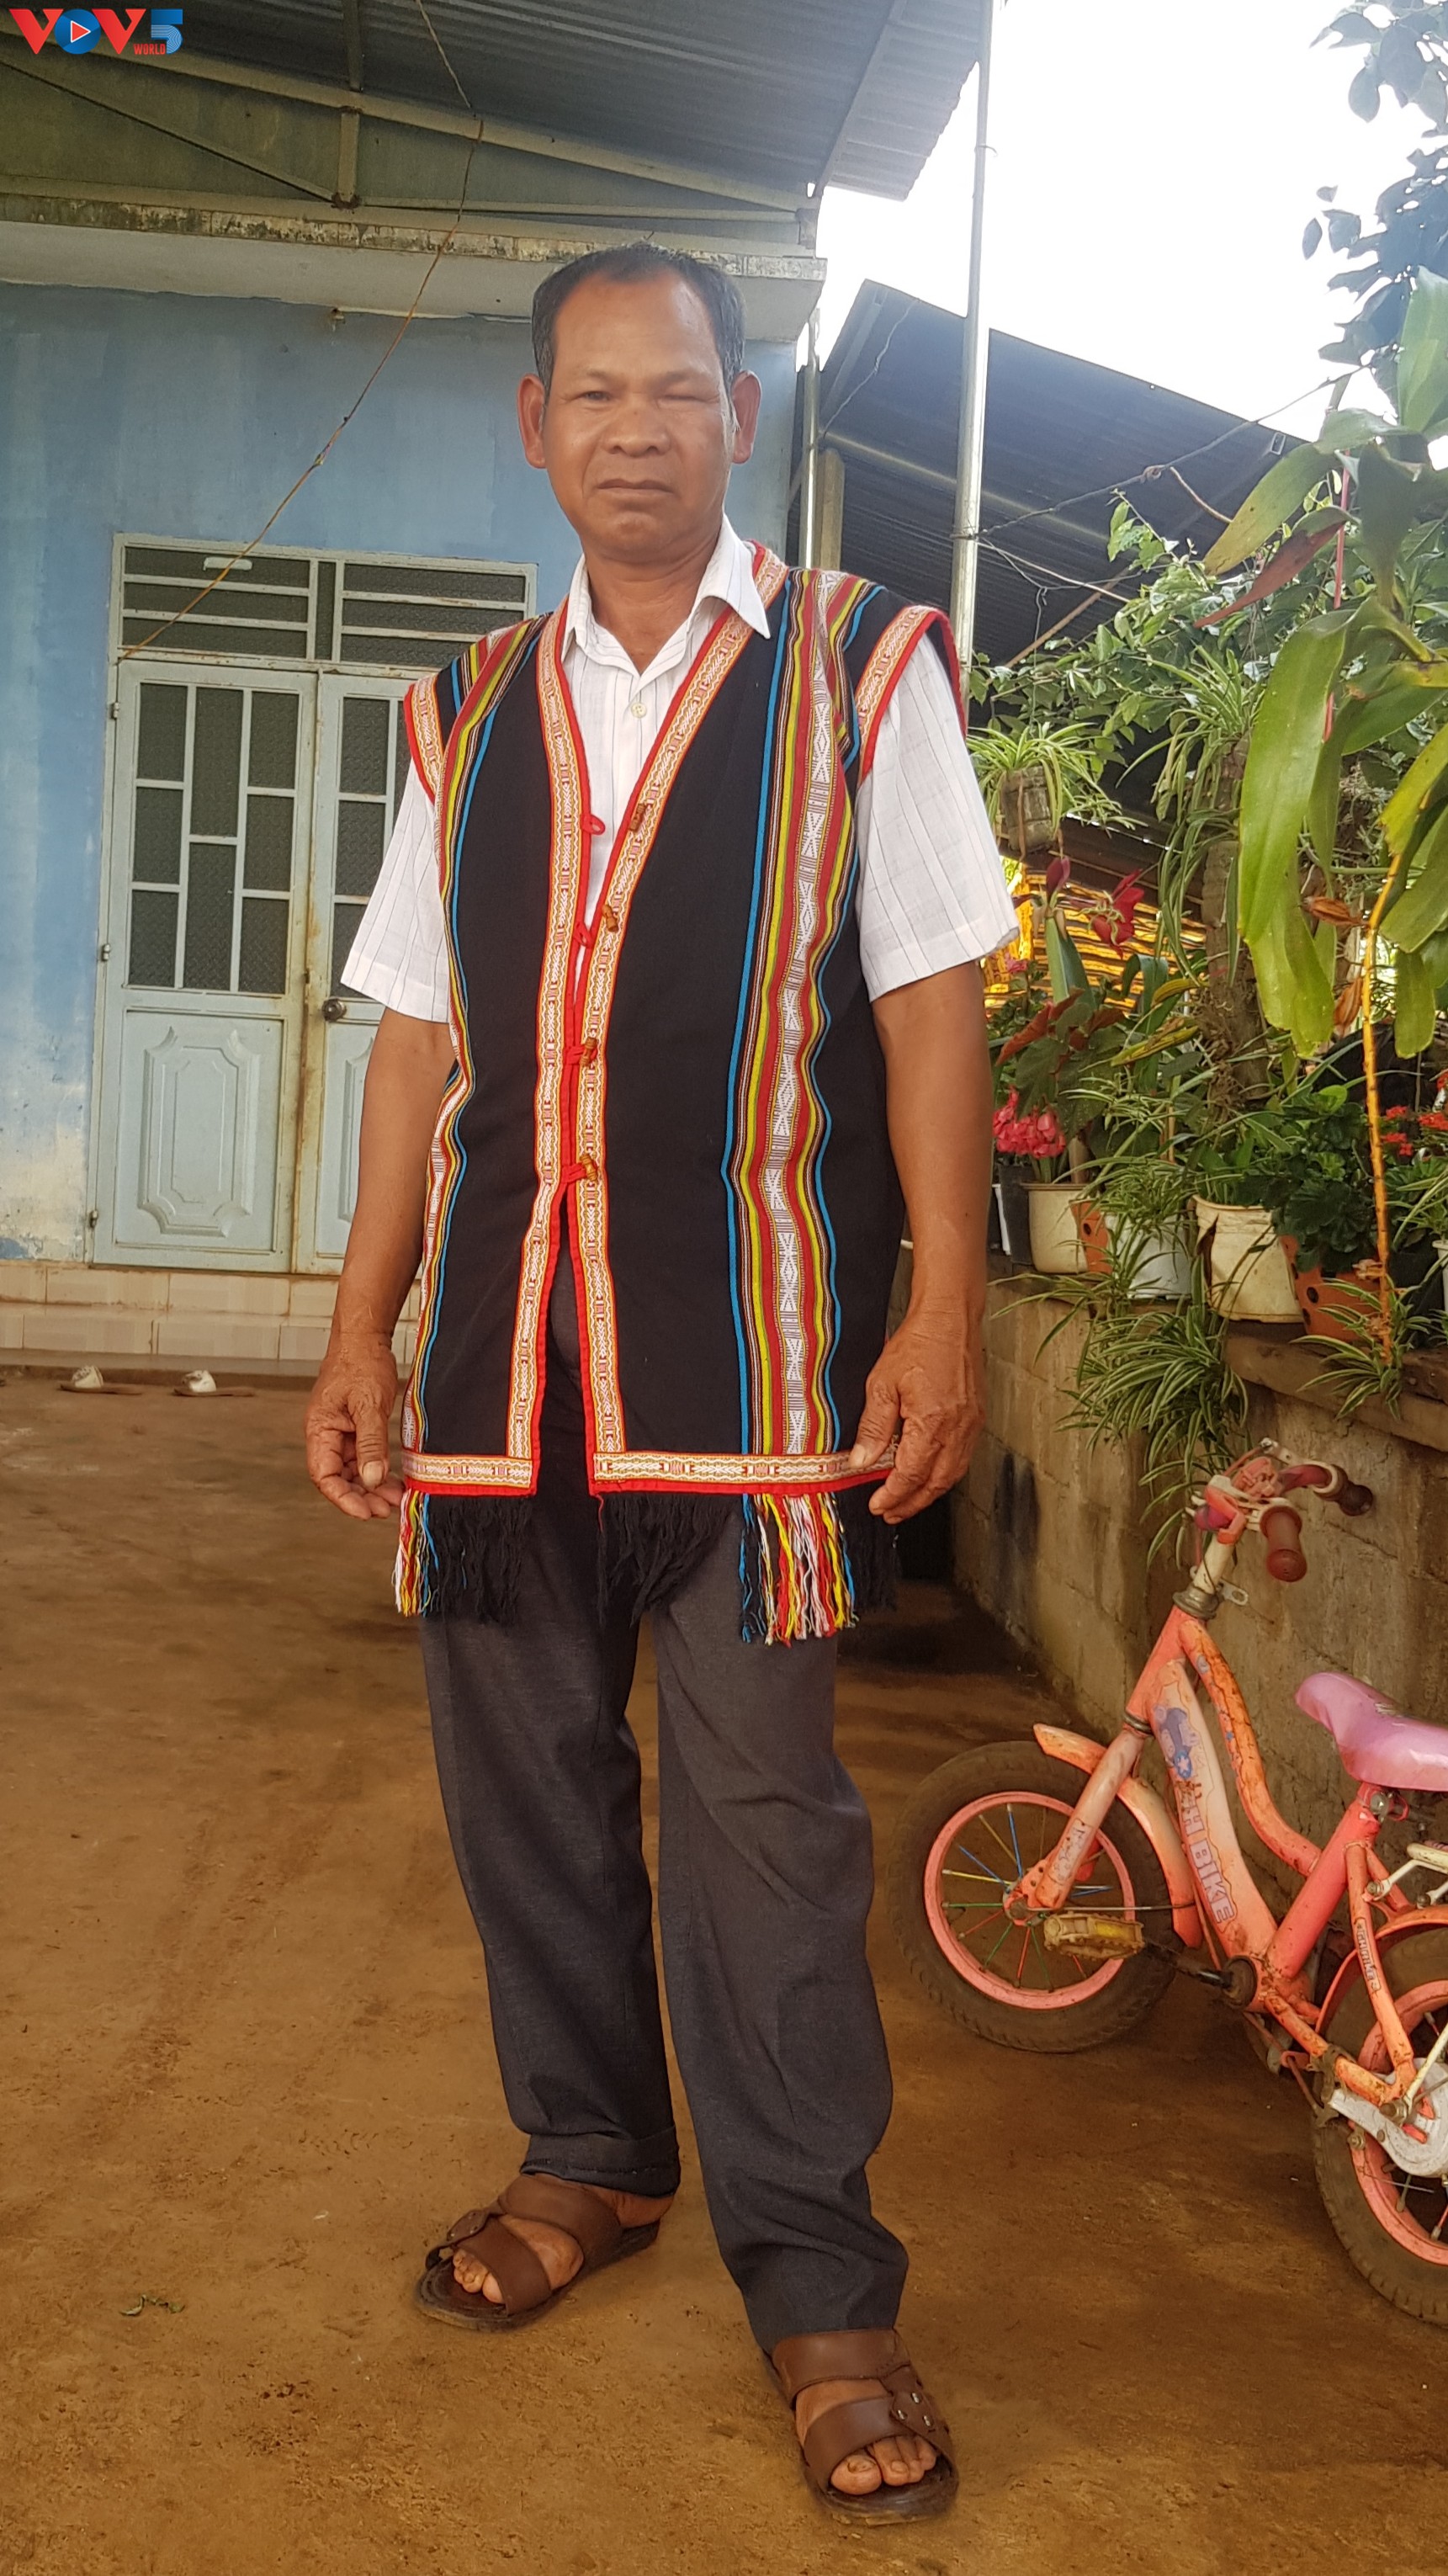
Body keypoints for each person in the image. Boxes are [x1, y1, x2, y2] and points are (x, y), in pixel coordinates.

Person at [305, 242, 1013, 2525]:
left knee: (764, 1833)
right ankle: (593, 2155)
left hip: (753, 1365)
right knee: (521, 1797)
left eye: (678, 389)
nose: (636, 428)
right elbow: (416, 1036)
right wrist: (359, 1324)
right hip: (502, 1365)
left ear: (741, 414)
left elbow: (928, 998)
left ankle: (819, 2283)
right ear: (536, 427)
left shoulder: (861, 669)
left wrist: (943, 1312)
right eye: (594, 393)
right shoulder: (464, 709)